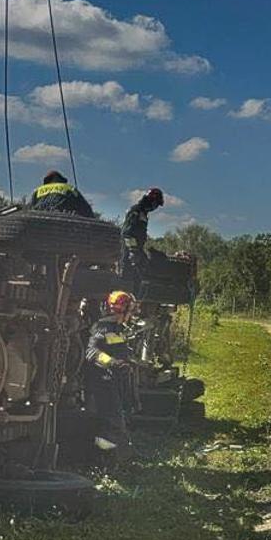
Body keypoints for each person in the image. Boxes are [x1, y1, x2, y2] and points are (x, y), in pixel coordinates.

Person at [82, 290, 139, 453]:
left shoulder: (116, 328)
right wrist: (113, 363)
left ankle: (117, 450)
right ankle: (107, 455)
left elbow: (117, 349)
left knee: (119, 415)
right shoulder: (103, 327)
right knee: (112, 418)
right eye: (130, 311)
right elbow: (92, 352)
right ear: (124, 310)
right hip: (103, 380)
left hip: (114, 379)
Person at [123, 187, 165, 270]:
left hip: (137, 250)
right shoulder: (136, 210)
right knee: (129, 271)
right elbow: (127, 233)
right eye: (156, 204)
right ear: (150, 200)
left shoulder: (143, 213)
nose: (155, 207)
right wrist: (133, 250)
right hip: (129, 252)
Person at [30, 170, 96, 218]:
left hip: (40, 221)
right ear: (61, 180)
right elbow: (87, 211)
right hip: (64, 221)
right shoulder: (70, 189)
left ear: (46, 182)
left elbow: (29, 210)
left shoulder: (37, 191)